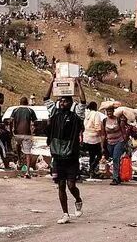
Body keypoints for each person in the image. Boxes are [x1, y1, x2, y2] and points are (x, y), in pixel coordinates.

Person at [44, 77, 86, 224]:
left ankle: (78, 199)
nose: (62, 103)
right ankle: (65, 214)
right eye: (61, 101)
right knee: (61, 185)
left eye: (66, 101)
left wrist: (78, 84)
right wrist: (52, 82)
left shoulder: (76, 116)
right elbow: (46, 98)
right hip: (57, 157)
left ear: (71, 103)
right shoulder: (54, 113)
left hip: (71, 157)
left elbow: (83, 102)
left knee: (71, 185)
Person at [10, 97, 37, 178]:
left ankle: (19, 160)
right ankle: (27, 172)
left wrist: (11, 131)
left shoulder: (15, 110)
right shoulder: (30, 110)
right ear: (27, 103)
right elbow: (35, 122)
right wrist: (33, 130)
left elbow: (11, 121)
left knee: (18, 145)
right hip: (27, 134)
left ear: (20, 102)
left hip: (17, 133)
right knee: (27, 153)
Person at [102, 106, 128, 185]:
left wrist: (125, 143)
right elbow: (103, 135)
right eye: (107, 111)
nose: (109, 113)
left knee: (116, 158)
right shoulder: (104, 121)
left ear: (113, 111)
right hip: (109, 143)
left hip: (119, 141)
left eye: (110, 111)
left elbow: (124, 132)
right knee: (113, 158)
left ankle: (115, 178)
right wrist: (102, 146)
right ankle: (118, 176)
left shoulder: (118, 120)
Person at [83, 101, 103, 178]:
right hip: (94, 138)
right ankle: (92, 168)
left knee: (92, 155)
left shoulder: (86, 114)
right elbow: (97, 126)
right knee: (99, 155)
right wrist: (101, 135)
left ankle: (91, 171)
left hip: (86, 138)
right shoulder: (96, 114)